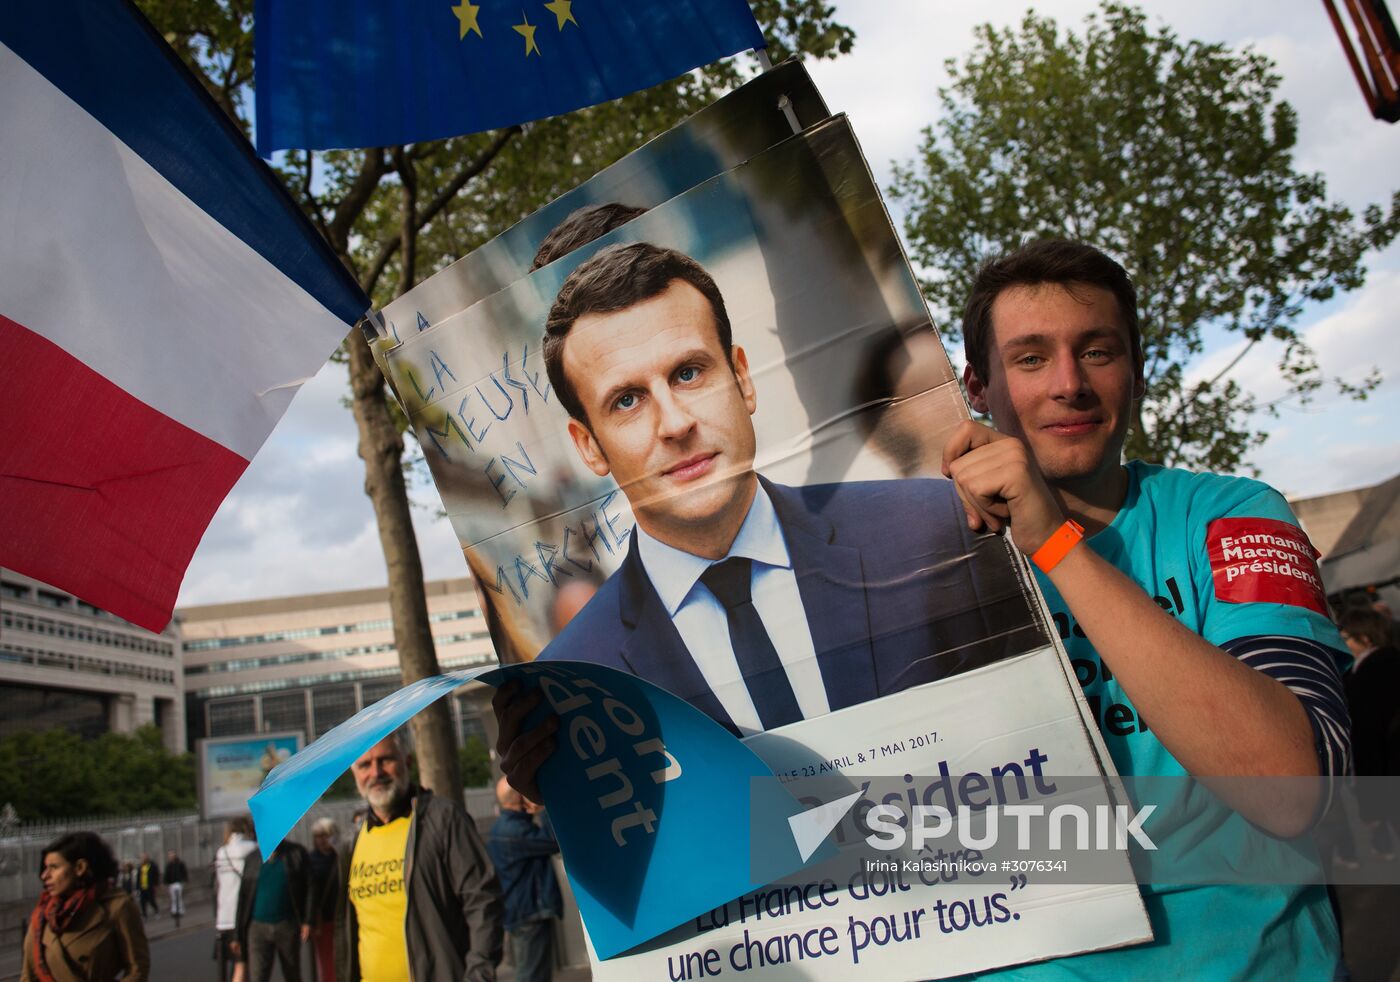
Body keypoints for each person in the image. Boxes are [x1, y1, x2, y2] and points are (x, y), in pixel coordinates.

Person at [937, 239, 1352, 977]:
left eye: (1097, 351)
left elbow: (1295, 794)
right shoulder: (920, 554)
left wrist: (1056, 545)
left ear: (1137, 371)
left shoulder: (1233, 514)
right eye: (1031, 358)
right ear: (979, 387)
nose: (1070, 384)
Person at [516, 240, 1033, 740]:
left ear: (743, 379)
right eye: (627, 401)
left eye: (689, 373)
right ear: (589, 447)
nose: (674, 424)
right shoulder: (575, 683)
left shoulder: (938, 529)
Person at [335, 731, 502, 982]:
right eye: (365, 765)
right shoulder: (352, 840)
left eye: (386, 760)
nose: (376, 772)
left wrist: (479, 975)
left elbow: (483, 902)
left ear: (408, 762)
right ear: (355, 775)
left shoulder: (443, 819)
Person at [21, 831, 149, 982]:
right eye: (45, 868)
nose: (45, 875)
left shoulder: (117, 906)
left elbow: (137, 969)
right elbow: (28, 976)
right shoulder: (42, 915)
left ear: (80, 867)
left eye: (54, 867)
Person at [487, 777, 563, 982]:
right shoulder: (515, 831)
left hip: (519, 914)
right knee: (532, 976)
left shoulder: (501, 829)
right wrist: (542, 805)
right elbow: (554, 840)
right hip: (529, 916)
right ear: (521, 797)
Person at [1340, 606, 1400, 858]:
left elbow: (1367, 740)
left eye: (1346, 639)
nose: (1344, 645)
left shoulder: (1364, 677)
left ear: (1364, 638)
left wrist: (1371, 804)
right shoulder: (1394, 662)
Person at [236, 838, 309, 982]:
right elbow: (243, 898)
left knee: (292, 974)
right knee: (258, 976)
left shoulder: (296, 853)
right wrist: (237, 935)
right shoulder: (252, 859)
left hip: (286, 924)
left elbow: (309, 888)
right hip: (258, 928)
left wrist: (308, 920)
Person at [214, 816, 259, 982]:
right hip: (243, 916)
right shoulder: (252, 849)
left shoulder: (221, 851)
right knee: (242, 966)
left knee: (232, 967)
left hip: (223, 918)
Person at [304, 817, 341, 982]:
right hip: (323, 919)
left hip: (343, 916)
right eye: (318, 836)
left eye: (325, 835)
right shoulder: (310, 860)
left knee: (345, 959)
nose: (321, 840)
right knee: (326, 962)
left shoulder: (342, 855)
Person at [163, 849, 188, 928]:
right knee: (174, 898)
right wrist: (166, 882)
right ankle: (174, 910)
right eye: (170, 855)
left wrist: (184, 879)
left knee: (178, 897)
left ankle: (179, 910)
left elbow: (184, 872)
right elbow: (166, 874)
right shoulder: (169, 865)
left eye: (172, 855)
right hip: (171, 883)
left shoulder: (179, 863)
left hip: (178, 882)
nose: (171, 857)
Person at [135, 853, 160, 918]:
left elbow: (156, 875)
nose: (142, 859)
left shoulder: (152, 865)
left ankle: (156, 911)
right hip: (142, 887)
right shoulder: (140, 867)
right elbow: (138, 878)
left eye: (144, 858)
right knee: (142, 902)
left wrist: (156, 884)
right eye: (141, 858)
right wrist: (137, 887)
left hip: (150, 886)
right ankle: (144, 914)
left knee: (151, 900)